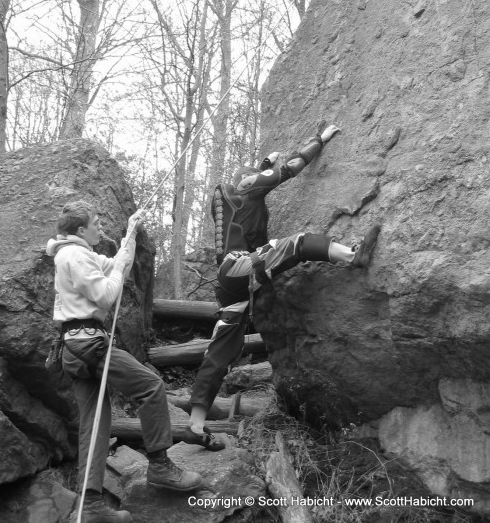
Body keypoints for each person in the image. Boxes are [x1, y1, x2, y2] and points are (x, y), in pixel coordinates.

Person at [183, 126, 381, 451]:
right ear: (247, 178)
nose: (259, 178)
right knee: (296, 244)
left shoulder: (234, 200)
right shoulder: (247, 186)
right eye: (256, 174)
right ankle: (352, 256)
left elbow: (261, 177)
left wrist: (263, 163)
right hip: (238, 267)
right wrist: (320, 139)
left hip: (230, 284)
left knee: (219, 352)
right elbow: (288, 169)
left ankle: (195, 425)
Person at [47, 201, 202, 523]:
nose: (100, 227)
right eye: (96, 222)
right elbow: (106, 294)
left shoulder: (77, 254)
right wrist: (116, 270)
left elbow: (119, 264)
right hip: (89, 343)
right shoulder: (75, 255)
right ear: (80, 230)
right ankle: (159, 465)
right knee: (150, 386)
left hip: (75, 348)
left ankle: (90, 506)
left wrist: (130, 232)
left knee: (93, 424)